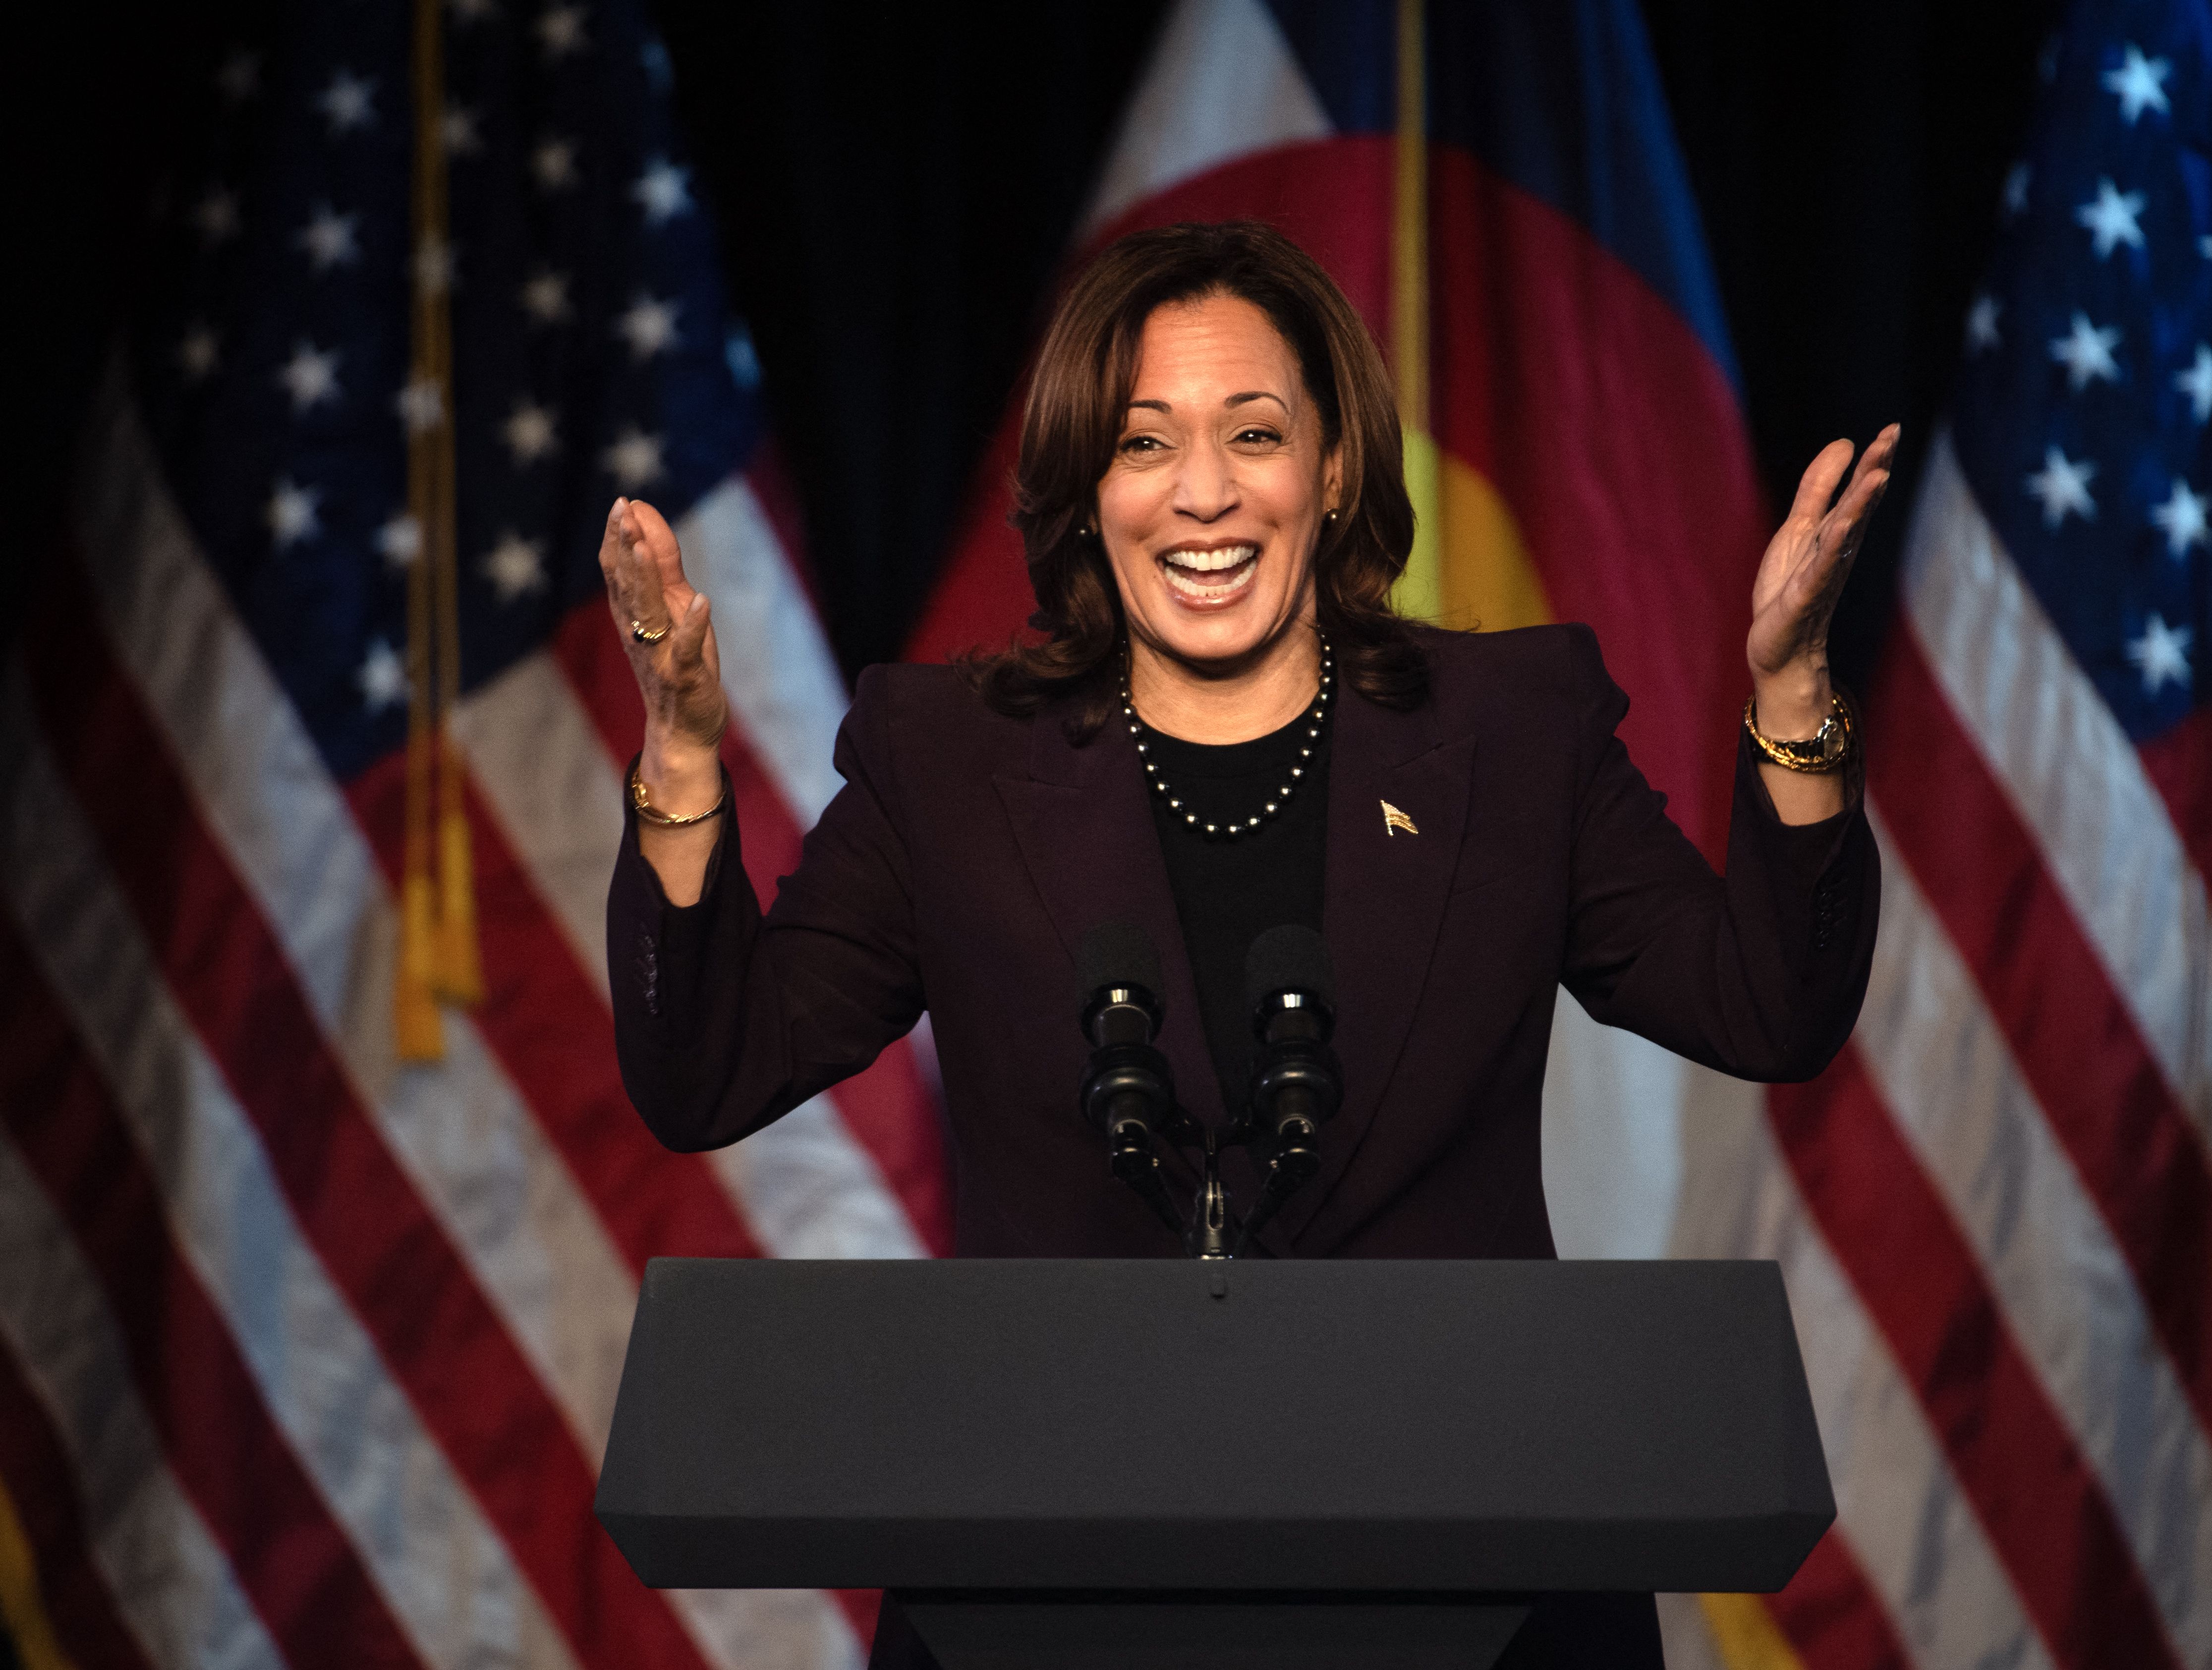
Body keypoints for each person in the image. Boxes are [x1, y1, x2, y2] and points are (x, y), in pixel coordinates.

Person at [601, 219, 1889, 1668]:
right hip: (1051, 1598)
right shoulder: (949, 761)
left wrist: (1792, 699)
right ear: (1089, 489)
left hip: (1478, 1584)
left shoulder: (1511, 734)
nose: (1201, 493)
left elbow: (1770, 1006)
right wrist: (685, 766)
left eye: (1254, 432)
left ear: (1333, 470)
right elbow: (705, 1071)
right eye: (1144, 443)